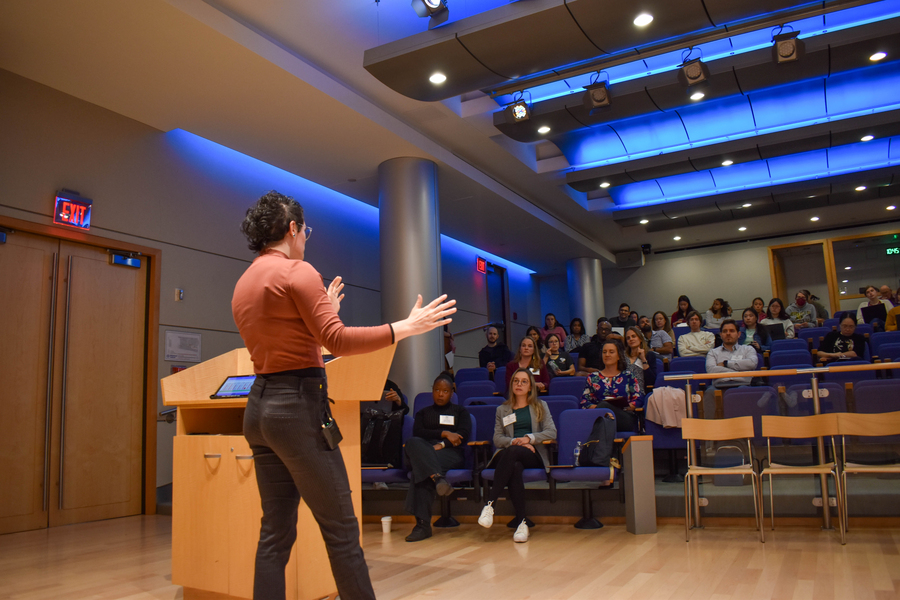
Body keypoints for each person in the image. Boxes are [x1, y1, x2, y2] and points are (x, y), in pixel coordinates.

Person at [231, 191, 456, 600]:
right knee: (341, 531)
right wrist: (406, 327)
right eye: (306, 231)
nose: (306, 239)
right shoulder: (298, 272)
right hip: (297, 411)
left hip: (260, 410)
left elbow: (294, 344)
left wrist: (324, 310)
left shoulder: (245, 282)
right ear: (293, 228)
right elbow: (337, 340)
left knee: (275, 534)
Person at [478, 369, 557, 543]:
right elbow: (497, 439)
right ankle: (522, 524)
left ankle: (490, 504)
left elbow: (551, 432)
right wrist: (515, 441)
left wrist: (529, 439)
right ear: (511, 384)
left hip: (532, 454)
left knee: (514, 454)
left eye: (524, 381)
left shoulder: (540, 406)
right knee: (514, 464)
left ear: (530, 387)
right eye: (516, 381)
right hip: (508, 452)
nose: (519, 384)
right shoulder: (502, 409)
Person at [403, 373, 472, 542]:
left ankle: (422, 526)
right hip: (424, 451)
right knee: (412, 443)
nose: (440, 394)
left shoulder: (460, 412)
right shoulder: (423, 413)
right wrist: (445, 433)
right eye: (437, 390)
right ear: (432, 391)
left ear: (451, 393)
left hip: (449, 453)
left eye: (445, 391)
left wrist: (441, 444)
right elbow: (418, 433)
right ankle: (438, 478)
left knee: (422, 468)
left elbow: (462, 435)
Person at [580, 339, 641, 432]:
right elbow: (584, 402)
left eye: (611, 352)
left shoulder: (628, 376)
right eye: (604, 352)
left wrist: (630, 406)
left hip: (623, 417)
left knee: (604, 406)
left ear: (618, 356)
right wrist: (601, 409)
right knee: (603, 408)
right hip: (600, 416)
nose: (607, 355)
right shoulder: (592, 377)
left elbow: (638, 398)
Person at [703, 319, 759, 418]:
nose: (728, 333)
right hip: (719, 386)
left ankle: (743, 427)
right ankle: (711, 427)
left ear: (739, 334)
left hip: (742, 385)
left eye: (732, 331)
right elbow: (711, 370)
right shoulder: (713, 352)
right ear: (721, 335)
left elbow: (752, 363)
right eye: (725, 331)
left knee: (744, 392)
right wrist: (740, 370)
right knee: (709, 393)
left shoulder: (748, 349)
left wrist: (726, 364)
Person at [360, 379, 408, 470]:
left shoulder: (390, 385)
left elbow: (404, 411)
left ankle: (386, 463)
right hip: (361, 421)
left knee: (382, 425)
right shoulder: (359, 384)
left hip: (385, 423)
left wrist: (398, 401)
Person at [624, 325, 658, 394]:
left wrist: (643, 360)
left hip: (641, 392)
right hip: (623, 392)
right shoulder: (623, 356)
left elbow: (652, 381)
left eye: (633, 336)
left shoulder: (649, 355)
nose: (631, 339)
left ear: (640, 339)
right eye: (628, 338)